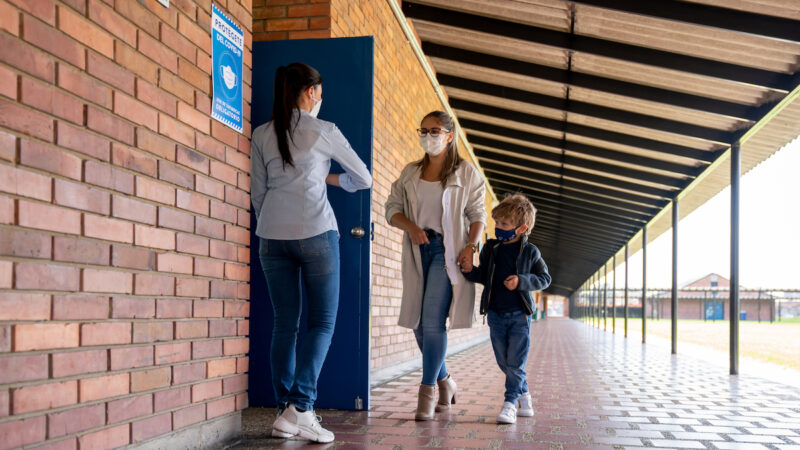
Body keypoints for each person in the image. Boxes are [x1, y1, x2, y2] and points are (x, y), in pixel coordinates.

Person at [250, 62, 372, 443]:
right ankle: (301, 408)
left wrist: (273, 223)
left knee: (285, 322)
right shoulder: (324, 131)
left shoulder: (261, 134)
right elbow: (364, 178)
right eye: (319, 91)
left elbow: (258, 194)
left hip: (271, 236)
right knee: (321, 323)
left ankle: (286, 410)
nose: (321, 97)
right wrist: (329, 178)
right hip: (317, 233)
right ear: (309, 93)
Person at [385, 111, 486, 420]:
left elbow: (478, 214)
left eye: (436, 131)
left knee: (432, 321)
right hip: (419, 250)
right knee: (418, 323)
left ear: (449, 135)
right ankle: (446, 381)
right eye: (424, 130)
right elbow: (392, 209)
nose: (429, 136)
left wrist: (471, 246)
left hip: (448, 252)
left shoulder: (465, 173)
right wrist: (411, 227)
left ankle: (427, 390)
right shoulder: (410, 172)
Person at [462, 194, 551, 424]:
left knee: (515, 362)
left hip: (519, 316)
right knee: (505, 362)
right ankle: (524, 394)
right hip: (495, 315)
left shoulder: (531, 252)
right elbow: (483, 276)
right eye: (497, 223)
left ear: (521, 228)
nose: (498, 228)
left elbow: (544, 278)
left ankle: (510, 403)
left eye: (504, 224)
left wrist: (521, 281)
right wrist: (469, 270)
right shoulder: (491, 249)